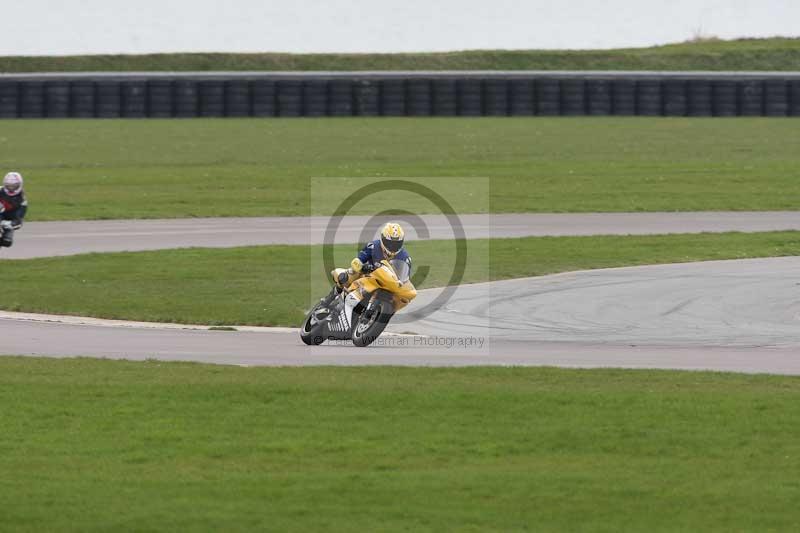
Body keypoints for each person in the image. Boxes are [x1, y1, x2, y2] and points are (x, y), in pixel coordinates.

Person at [0, 172, 28, 248]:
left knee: (7, 242)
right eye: (8, 186)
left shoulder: (22, 199)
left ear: (20, 185)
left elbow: (19, 218)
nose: (11, 188)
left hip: (9, 221)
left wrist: (11, 224)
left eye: (14, 186)